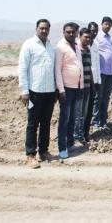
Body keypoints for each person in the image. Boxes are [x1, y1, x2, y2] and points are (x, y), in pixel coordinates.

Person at [18, 19, 56, 168]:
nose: (44, 31)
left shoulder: (51, 47)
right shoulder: (29, 45)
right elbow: (22, 69)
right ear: (36, 29)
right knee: (33, 124)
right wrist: (24, 91)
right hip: (34, 91)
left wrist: (55, 91)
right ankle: (31, 155)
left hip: (49, 91)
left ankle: (44, 151)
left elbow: (53, 70)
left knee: (46, 123)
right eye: (41, 28)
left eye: (46, 28)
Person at [55, 22, 84, 159]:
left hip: (77, 87)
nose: (71, 34)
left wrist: (81, 85)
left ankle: (70, 143)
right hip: (66, 88)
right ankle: (62, 148)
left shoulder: (77, 46)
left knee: (73, 117)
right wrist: (61, 90)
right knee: (65, 119)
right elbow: (57, 70)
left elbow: (79, 66)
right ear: (63, 32)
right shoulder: (60, 47)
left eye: (73, 32)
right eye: (68, 32)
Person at [92, 16, 112, 130]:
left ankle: (103, 121)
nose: (108, 26)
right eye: (106, 24)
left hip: (110, 72)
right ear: (102, 24)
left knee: (106, 98)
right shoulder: (97, 37)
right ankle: (95, 122)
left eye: (110, 25)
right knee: (98, 97)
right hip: (101, 72)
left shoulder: (110, 38)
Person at [74, 28, 93, 145]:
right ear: (80, 36)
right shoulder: (77, 50)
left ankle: (80, 135)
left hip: (87, 86)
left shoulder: (88, 49)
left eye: (89, 37)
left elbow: (89, 68)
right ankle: (76, 137)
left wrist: (92, 84)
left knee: (84, 113)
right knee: (78, 113)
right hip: (78, 86)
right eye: (85, 37)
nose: (88, 39)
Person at [84, 22, 101, 141]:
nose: (94, 33)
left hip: (94, 82)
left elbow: (97, 65)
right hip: (84, 83)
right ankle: (78, 135)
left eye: (96, 31)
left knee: (90, 109)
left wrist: (98, 81)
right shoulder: (82, 46)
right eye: (92, 31)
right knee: (82, 110)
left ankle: (85, 134)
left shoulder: (95, 45)